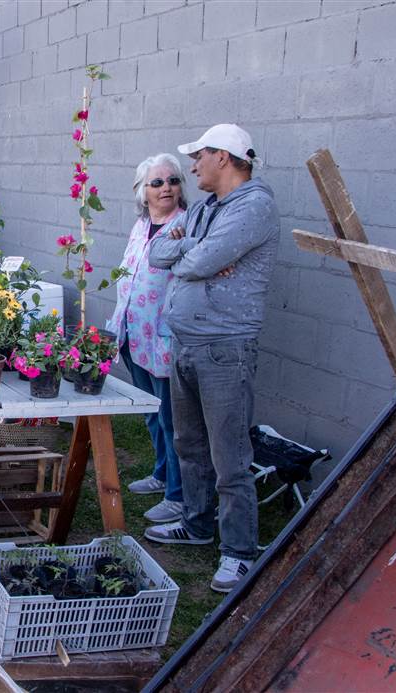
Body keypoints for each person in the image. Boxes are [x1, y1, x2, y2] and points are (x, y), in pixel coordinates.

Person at [145, 124, 279, 594]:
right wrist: (193, 250)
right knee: (190, 443)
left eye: (199, 157)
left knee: (230, 455)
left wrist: (196, 256)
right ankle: (198, 525)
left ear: (223, 157)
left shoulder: (254, 206)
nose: (193, 166)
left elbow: (200, 263)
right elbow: (159, 250)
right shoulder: (204, 209)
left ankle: (239, 551)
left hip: (225, 348)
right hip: (186, 342)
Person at [106, 154, 188, 525]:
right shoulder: (141, 226)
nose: (166, 187)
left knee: (171, 418)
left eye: (172, 180)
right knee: (151, 413)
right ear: (143, 192)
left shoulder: (184, 225)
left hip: (163, 337)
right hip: (133, 331)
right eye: (157, 183)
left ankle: (178, 494)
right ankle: (161, 473)